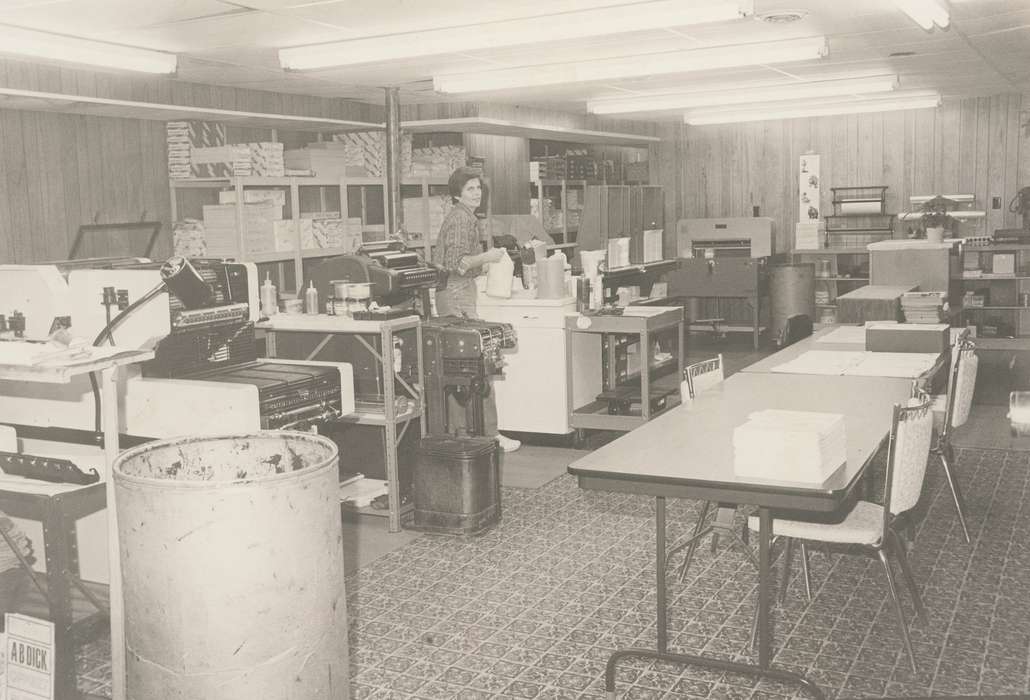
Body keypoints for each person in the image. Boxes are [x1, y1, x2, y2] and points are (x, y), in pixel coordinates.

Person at [432, 166, 521, 452]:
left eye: (478, 188)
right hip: (456, 295)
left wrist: (482, 263)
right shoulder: (461, 219)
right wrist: (490, 256)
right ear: (457, 194)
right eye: (470, 188)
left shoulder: (465, 218)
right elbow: (458, 262)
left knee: (463, 367)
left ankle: (468, 433)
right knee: (474, 363)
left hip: (457, 292)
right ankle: (483, 434)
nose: (476, 193)